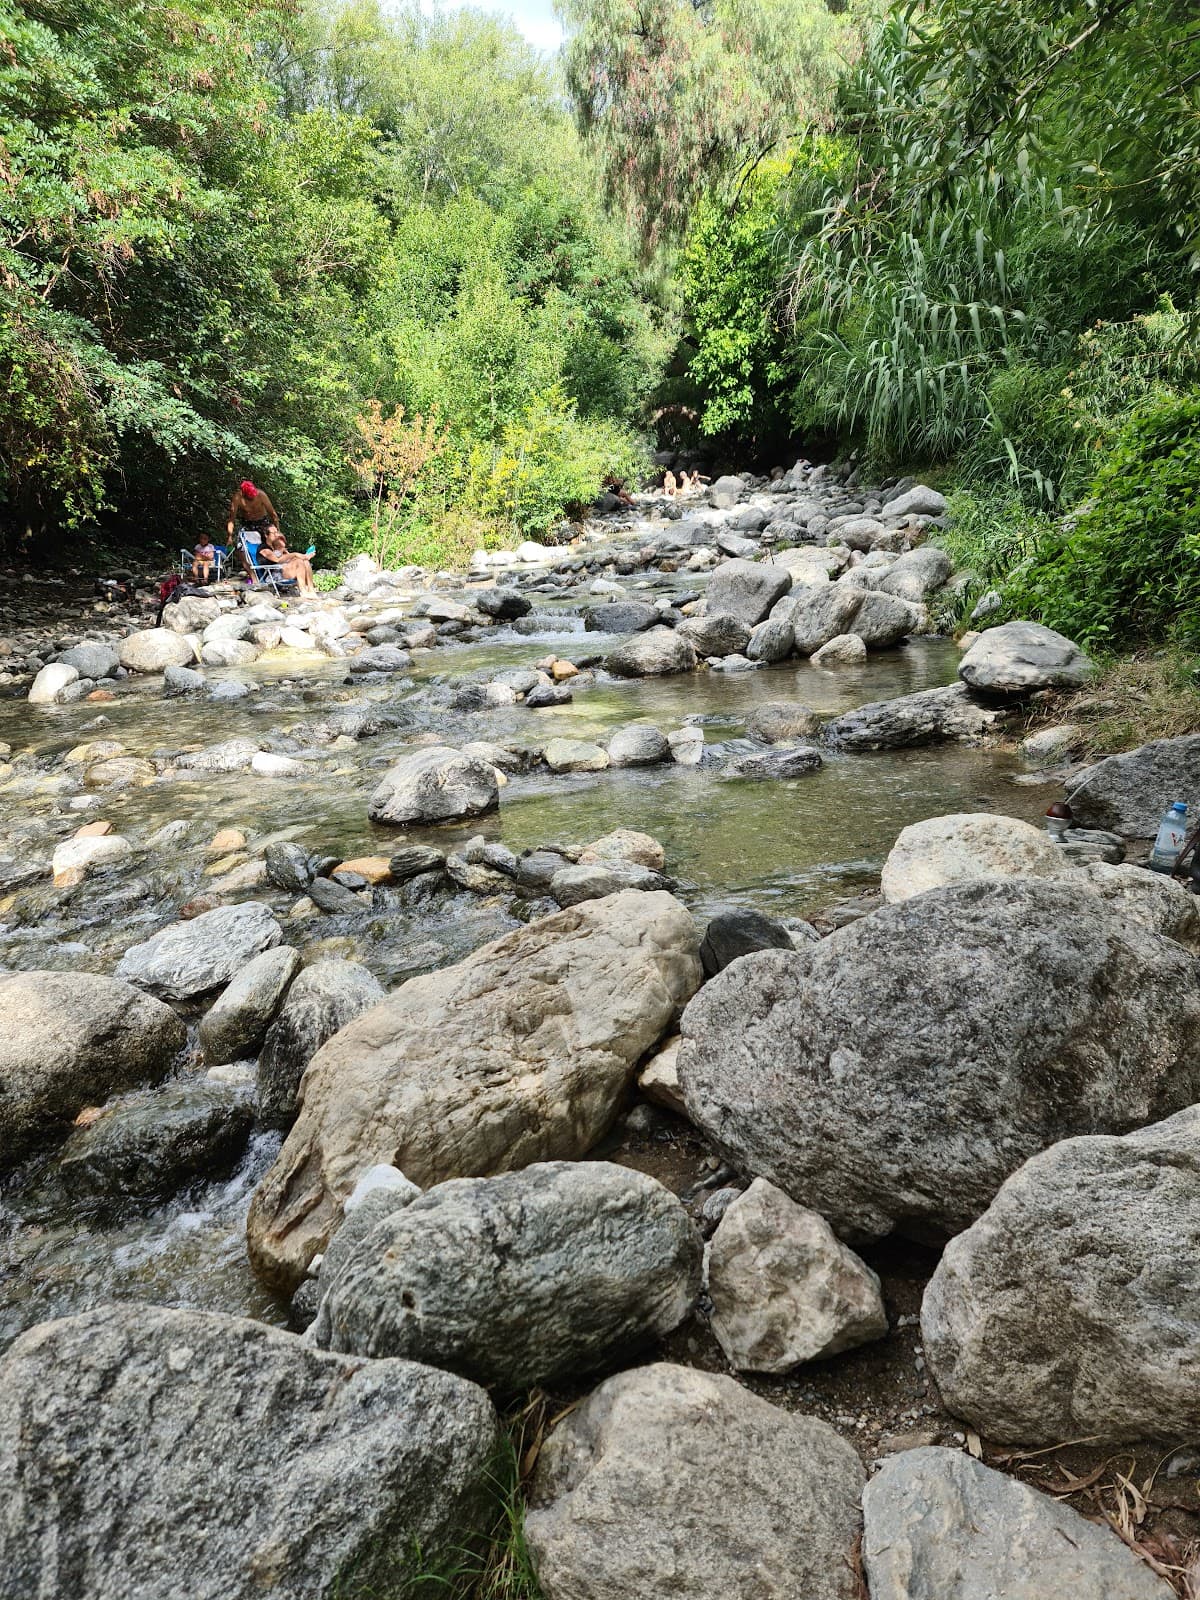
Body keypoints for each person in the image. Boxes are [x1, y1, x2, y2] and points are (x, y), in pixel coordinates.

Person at [228, 479, 281, 578]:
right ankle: (253, 576)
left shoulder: (261, 495)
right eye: (249, 497)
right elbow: (231, 519)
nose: (252, 498)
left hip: (262, 523)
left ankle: (275, 572)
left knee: (273, 545)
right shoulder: (237, 497)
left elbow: (273, 514)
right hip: (247, 524)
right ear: (244, 493)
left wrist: (277, 530)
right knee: (240, 550)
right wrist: (230, 537)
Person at [257, 526, 317, 594]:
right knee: (299, 562)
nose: (276, 534)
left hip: (282, 570)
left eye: (277, 532)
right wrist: (295, 554)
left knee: (305, 561)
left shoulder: (275, 546)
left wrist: (305, 556)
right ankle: (303, 592)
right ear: (266, 535)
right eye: (273, 533)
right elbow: (277, 560)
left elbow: (289, 559)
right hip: (273, 575)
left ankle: (311, 590)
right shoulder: (263, 549)